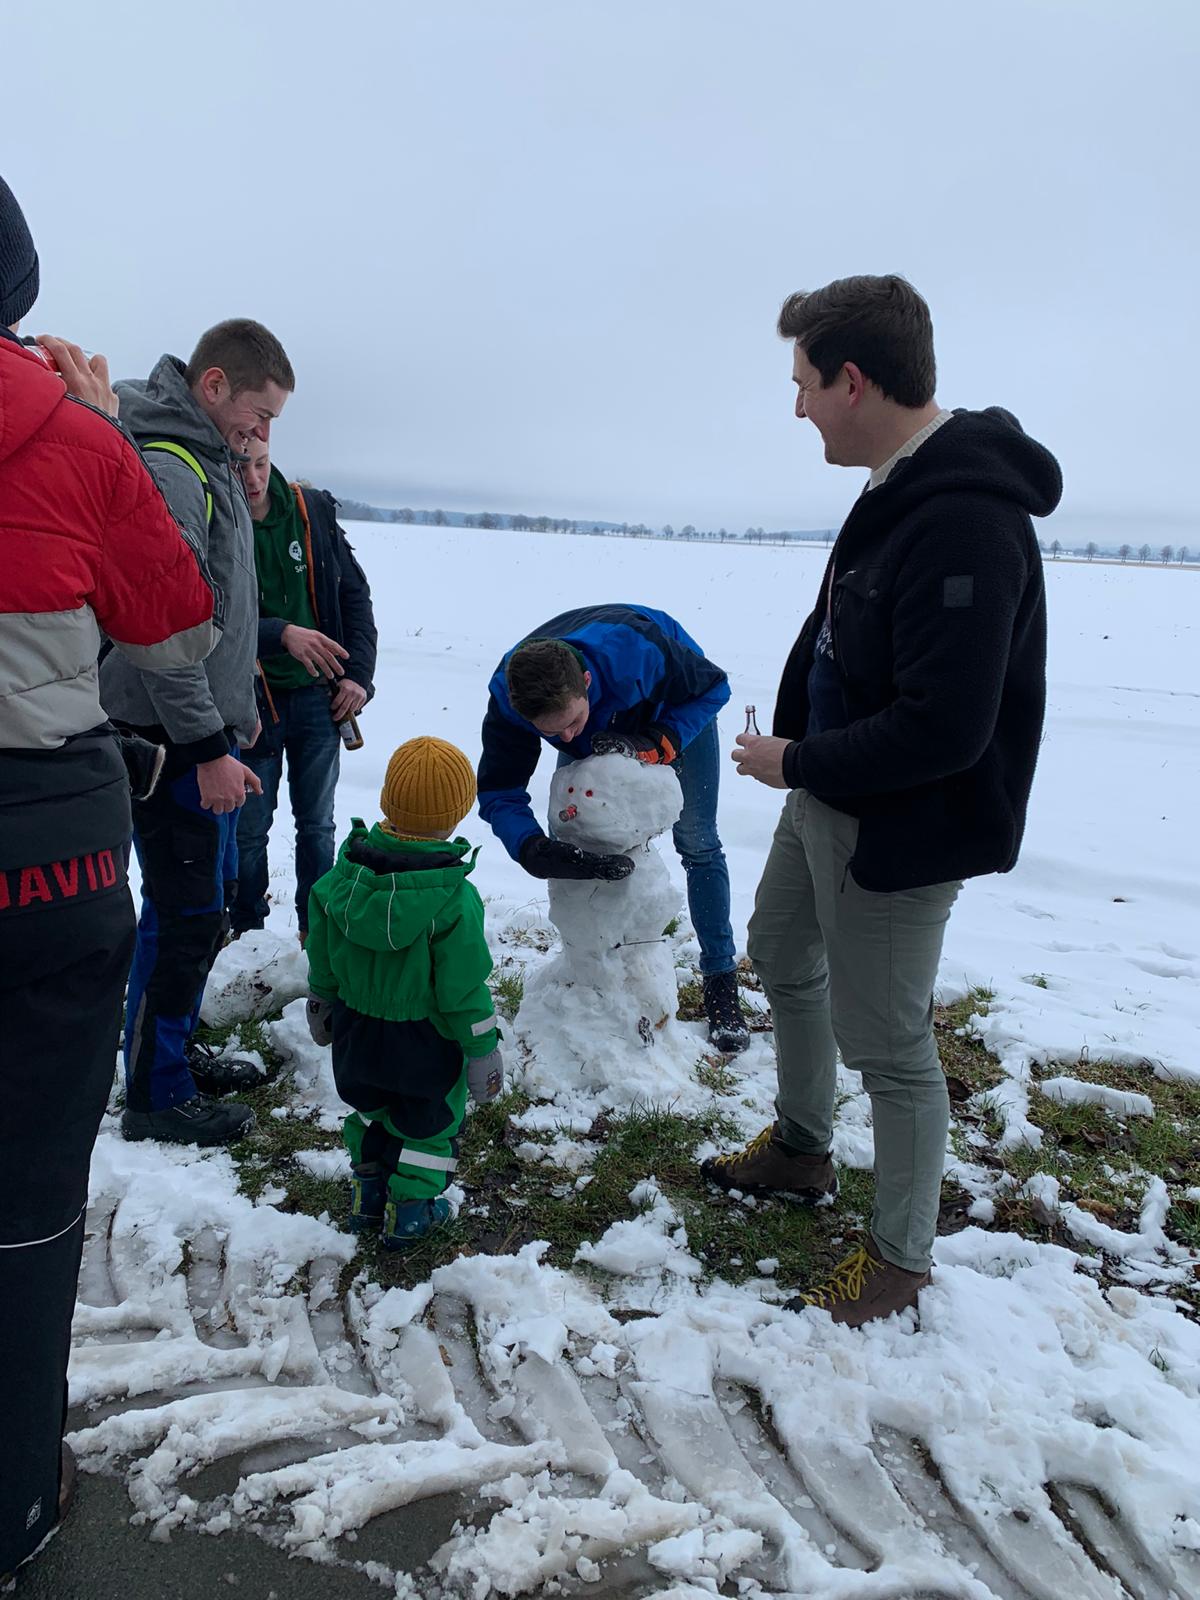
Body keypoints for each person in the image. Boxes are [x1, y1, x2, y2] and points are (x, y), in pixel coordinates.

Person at [708, 274, 1061, 1327]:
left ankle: (900, 1256)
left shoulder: (965, 521)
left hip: (900, 826)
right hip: (829, 788)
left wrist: (798, 761)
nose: (799, 408)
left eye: (805, 385)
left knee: (890, 1044)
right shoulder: (897, 485)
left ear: (853, 381)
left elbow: (946, 729)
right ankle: (802, 1148)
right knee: (780, 947)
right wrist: (803, 755)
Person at [0, 174, 218, 1579]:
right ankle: (12, 1497)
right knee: (26, 1197)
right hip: (46, 853)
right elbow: (173, 614)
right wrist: (98, 429)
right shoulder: (74, 437)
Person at [100, 319, 295, 1146]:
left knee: (198, 909)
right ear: (213, 385)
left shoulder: (211, 459)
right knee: (183, 914)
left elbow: (217, 611)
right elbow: (159, 629)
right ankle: (156, 1092)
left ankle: (169, 1053)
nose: (263, 433)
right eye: (260, 413)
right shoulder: (175, 467)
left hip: (203, 731)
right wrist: (210, 747)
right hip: (171, 738)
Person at [477, 603, 748, 1052]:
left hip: (673, 707)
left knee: (697, 840)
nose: (567, 741)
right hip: (599, 714)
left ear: (586, 682)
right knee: (577, 835)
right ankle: (596, 973)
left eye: (570, 724)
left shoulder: (637, 654)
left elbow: (714, 687)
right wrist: (528, 847)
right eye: (552, 734)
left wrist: (659, 741)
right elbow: (499, 789)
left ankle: (721, 979)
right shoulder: (513, 697)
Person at [305, 737, 503, 1246]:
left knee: (372, 1109)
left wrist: (321, 999)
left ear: (387, 800)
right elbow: (463, 990)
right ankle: (410, 1213)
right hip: (423, 1040)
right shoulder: (453, 899)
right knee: (427, 1127)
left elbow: (321, 951)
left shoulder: (341, 881)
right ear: (458, 813)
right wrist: (482, 1046)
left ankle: (368, 1196)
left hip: (355, 1028)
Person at [233, 436, 377, 945]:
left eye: (260, 464)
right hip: (253, 703)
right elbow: (213, 619)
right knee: (248, 829)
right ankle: (245, 934)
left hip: (319, 699)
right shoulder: (217, 518)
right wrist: (281, 634)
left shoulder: (311, 512)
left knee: (317, 824)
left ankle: (315, 934)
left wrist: (358, 676)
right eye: (241, 467)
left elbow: (355, 600)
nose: (252, 478)